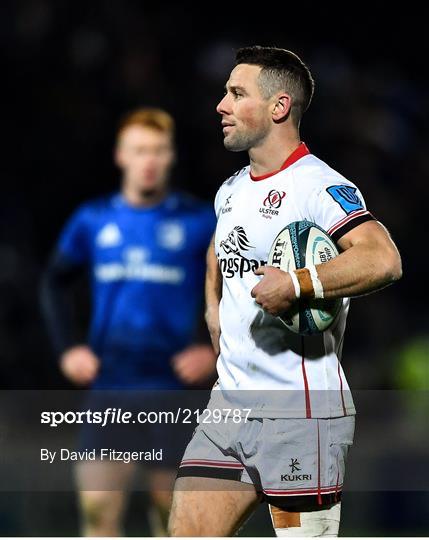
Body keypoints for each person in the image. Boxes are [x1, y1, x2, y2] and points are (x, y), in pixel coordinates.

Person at [168, 46, 402, 537]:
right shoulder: (231, 189)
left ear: (278, 107)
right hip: (229, 408)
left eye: (236, 93)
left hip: (300, 415)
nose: (220, 105)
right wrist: (213, 310)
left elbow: (382, 258)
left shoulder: (317, 186)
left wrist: (298, 282)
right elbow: (219, 248)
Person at [41, 107, 216, 536]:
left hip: (173, 391)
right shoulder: (93, 219)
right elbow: (54, 283)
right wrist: (68, 349)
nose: (149, 160)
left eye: (158, 150)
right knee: (99, 519)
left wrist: (214, 350)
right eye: (139, 150)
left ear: (171, 155)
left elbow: (236, 290)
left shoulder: (199, 221)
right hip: (110, 388)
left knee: (173, 524)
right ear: (121, 155)